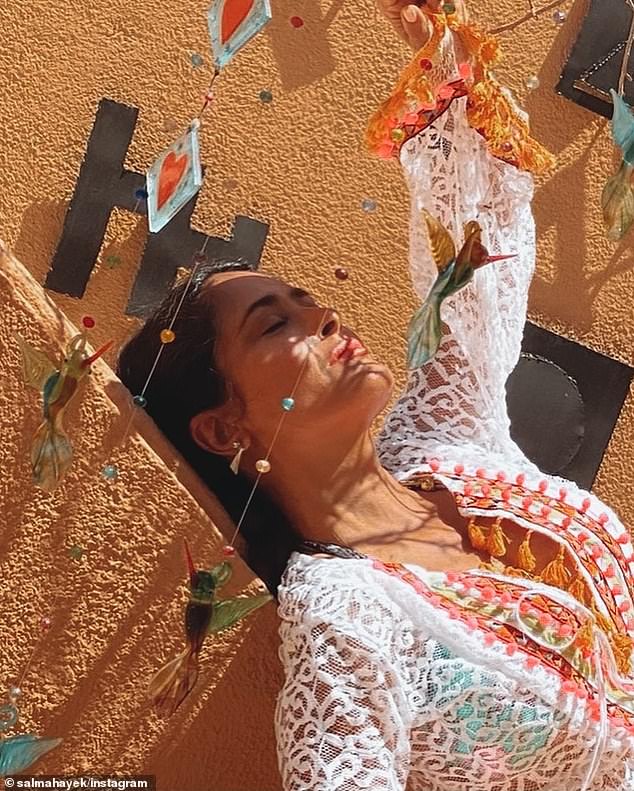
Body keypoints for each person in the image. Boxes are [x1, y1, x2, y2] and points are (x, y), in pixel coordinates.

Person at [118, 1, 634, 788]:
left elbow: (472, 264)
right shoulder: (343, 606)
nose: (322, 315)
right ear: (224, 428)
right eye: (273, 323)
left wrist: (444, 58)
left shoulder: (444, 446)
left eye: (304, 297)